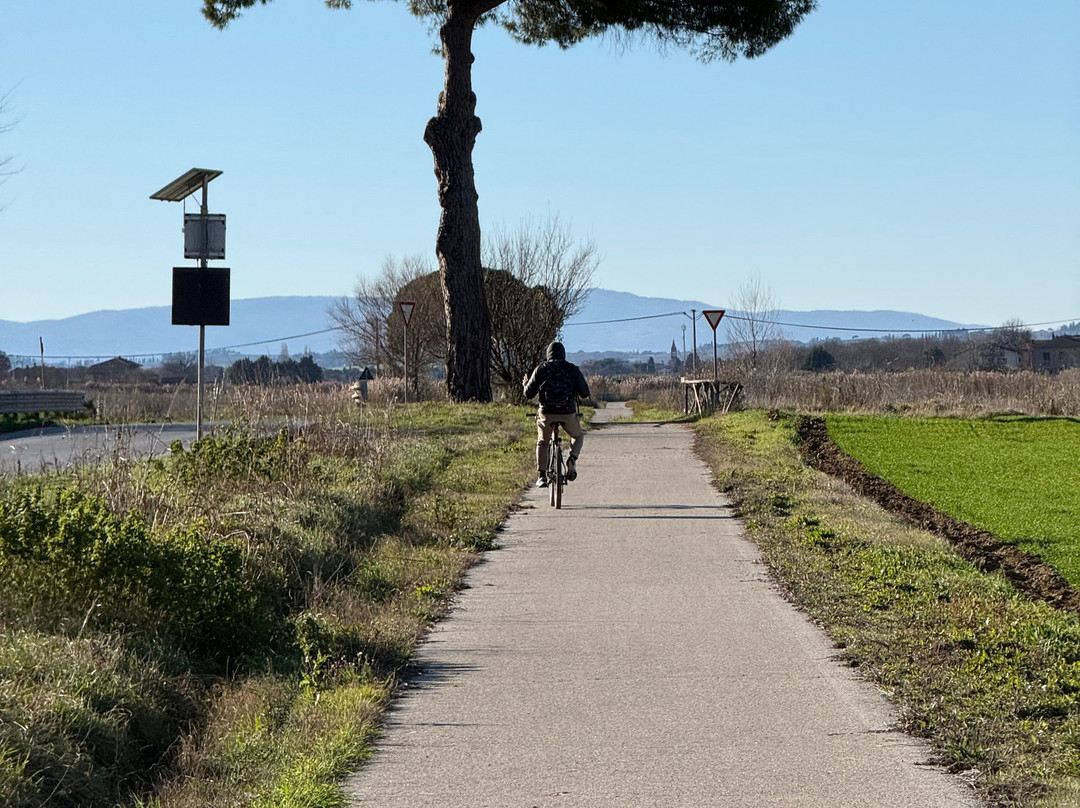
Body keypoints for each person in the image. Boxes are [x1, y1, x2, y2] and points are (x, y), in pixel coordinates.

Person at [522, 341, 591, 488]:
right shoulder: (572, 369)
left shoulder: (542, 368)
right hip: (568, 412)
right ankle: (572, 459)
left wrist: (525, 384)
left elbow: (528, 394)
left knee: (543, 442)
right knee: (577, 436)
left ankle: (542, 476)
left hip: (547, 413)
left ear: (548, 354)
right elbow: (585, 393)